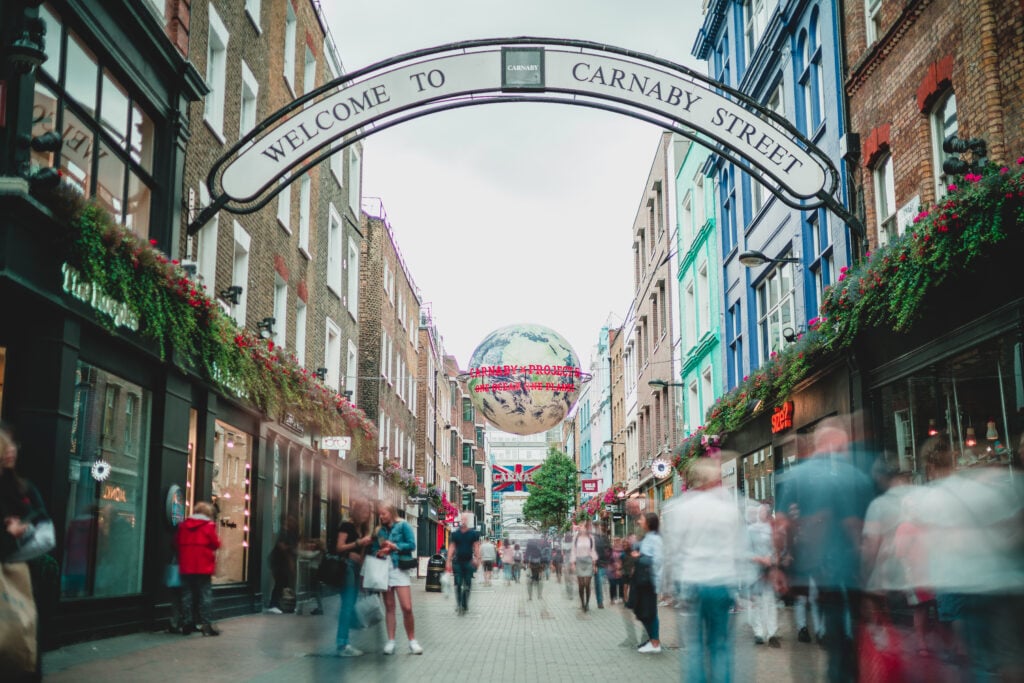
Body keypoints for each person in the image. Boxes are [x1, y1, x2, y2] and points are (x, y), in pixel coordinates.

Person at [663, 456, 753, 682]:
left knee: (695, 647)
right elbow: (740, 549)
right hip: (722, 583)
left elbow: (673, 551)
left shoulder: (679, 508)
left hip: (693, 583)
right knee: (720, 645)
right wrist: (745, 587)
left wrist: (669, 586)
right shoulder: (728, 509)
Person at [1, 423, 54, 681]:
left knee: (22, 647)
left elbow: (47, 533)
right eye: (4, 444)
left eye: (13, 444)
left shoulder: (24, 489)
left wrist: (21, 535)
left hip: (19, 585)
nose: (11, 450)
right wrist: (11, 538)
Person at [373, 503, 423, 655]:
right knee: (389, 607)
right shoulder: (379, 531)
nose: (381, 517)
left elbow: (412, 545)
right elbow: (375, 548)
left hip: (399, 569)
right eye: (380, 514)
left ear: (391, 513)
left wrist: (394, 546)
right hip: (384, 569)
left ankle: (412, 641)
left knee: (407, 607)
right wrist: (380, 552)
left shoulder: (403, 526)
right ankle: (391, 641)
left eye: (384, 514)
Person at [175, 501, 222, 636]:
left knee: (186, 595)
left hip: (186, 565)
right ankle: (206, 625)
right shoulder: (209, 526)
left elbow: (176, 543)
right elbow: (216, 544)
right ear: (208, 514)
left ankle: (187, 624)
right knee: (205, 595)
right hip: (203, 566)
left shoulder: (183, 526)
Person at [334, 497, 373, 657]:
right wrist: (358, 543)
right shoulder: (347, 525)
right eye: (363, 512)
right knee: (348, 606)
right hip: (347, 568)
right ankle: (342, 644)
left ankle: (345, 642)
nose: (365, 516)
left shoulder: (362, 529)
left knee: (350, 605)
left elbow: (362, 553)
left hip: (357, 569)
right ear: (357, 512)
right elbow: (339, 547)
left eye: (368, 513)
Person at [747, 502, 780, 647]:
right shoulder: (750, 530)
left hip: (769, 568)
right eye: (761, 511)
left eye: (766, 512)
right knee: (757, 601)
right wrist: (759, 559)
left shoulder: (772, 530)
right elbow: (746, 551)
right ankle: (759, 632)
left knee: (771, 601)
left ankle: (772, 632)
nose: (764, 514)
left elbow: (777, 549)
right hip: (755, 570)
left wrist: (772, 560)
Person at [631, 512, 663, 653]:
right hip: (644, 580)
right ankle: (652, 639)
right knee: (643, 609)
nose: (639, 521)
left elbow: (658, 560)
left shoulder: (655, 539)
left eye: (642, 519)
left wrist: (640, 557)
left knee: (649, 611)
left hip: (650, 580)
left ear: (649, 522)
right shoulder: (648, 537)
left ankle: (655, 643)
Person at [446, 512, 480, 616]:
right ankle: (459, 604)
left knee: (468, 585)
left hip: (468, 562)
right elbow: (452, 547)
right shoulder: (456, 534)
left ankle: (465, 604)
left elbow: (476, 546)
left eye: (465, 519)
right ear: (461, 520)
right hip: (457, 563)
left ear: (468, 521)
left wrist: (477, 559)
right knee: (458, 584)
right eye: (462, 519)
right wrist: (448, 560)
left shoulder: (472, 534)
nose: (464, 521)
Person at [267, 514, 298, 614]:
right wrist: (291, 561)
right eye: (291, 521)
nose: (293, 523)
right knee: (280, 582)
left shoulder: (287, 532)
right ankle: (273, 605)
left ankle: (283, 604)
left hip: (280, 562)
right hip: (278, 562)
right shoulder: (284, 532)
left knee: (283, 583)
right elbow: (282, 547)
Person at [570, 520, 598, 612]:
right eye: (581, 527)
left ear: (587, 528)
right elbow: (573, 551)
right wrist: (573, 563)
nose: (582, 529)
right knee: (581, 585)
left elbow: (592, 551)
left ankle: (587, 603)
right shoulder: (576, 538)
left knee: (587, 584)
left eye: (584, 527)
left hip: (588, 561)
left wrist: (594, 565)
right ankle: (582, 603)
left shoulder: (591, 538)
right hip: (579, 561)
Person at [594, 524, 612, 609]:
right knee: (599, 583)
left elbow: (609, 550)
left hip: (604, 563)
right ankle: (600, 601)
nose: (599, 529)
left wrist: (609, 562)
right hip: (597, 564)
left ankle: (603, 600)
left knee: (602, 583)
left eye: (601, 528)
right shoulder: (593, 538)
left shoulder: (605, 538)